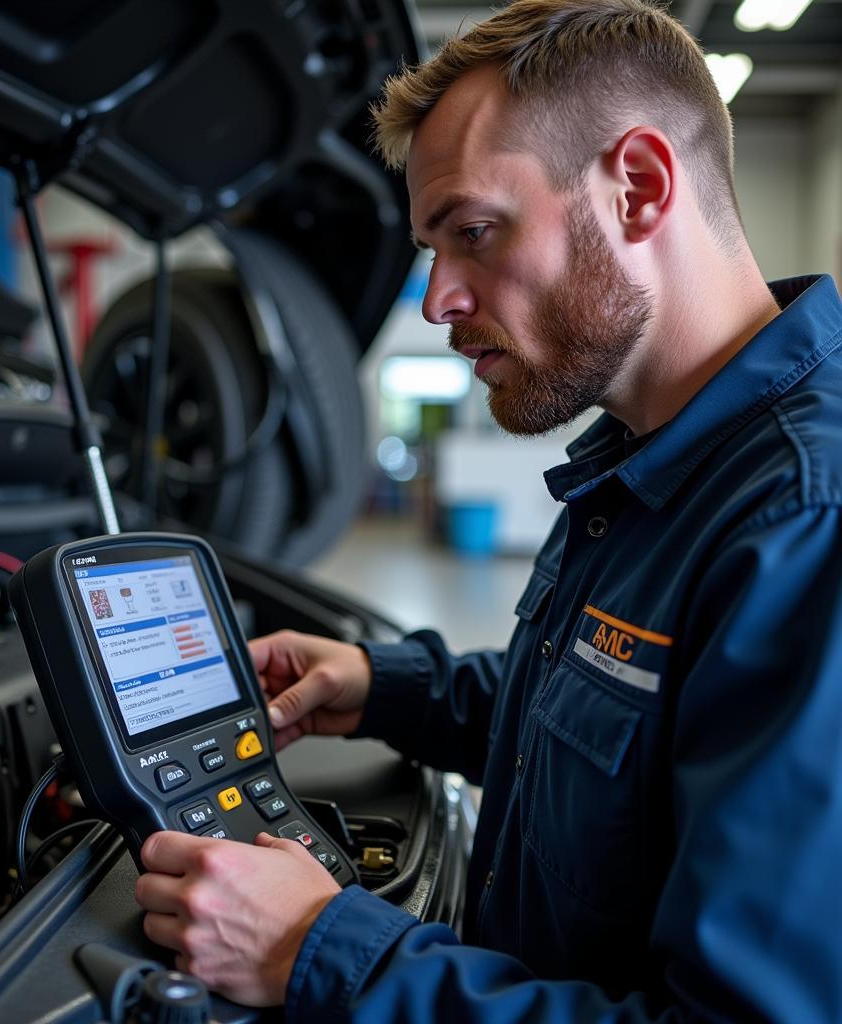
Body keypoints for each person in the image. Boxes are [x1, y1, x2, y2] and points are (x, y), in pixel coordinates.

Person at [134, 0, 842, 1018]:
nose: (436, 301)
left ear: (638, 188)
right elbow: (617, 711)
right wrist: (389, 686)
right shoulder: (650, 462)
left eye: (471, 232)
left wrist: (324, 949)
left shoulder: (803, 523)